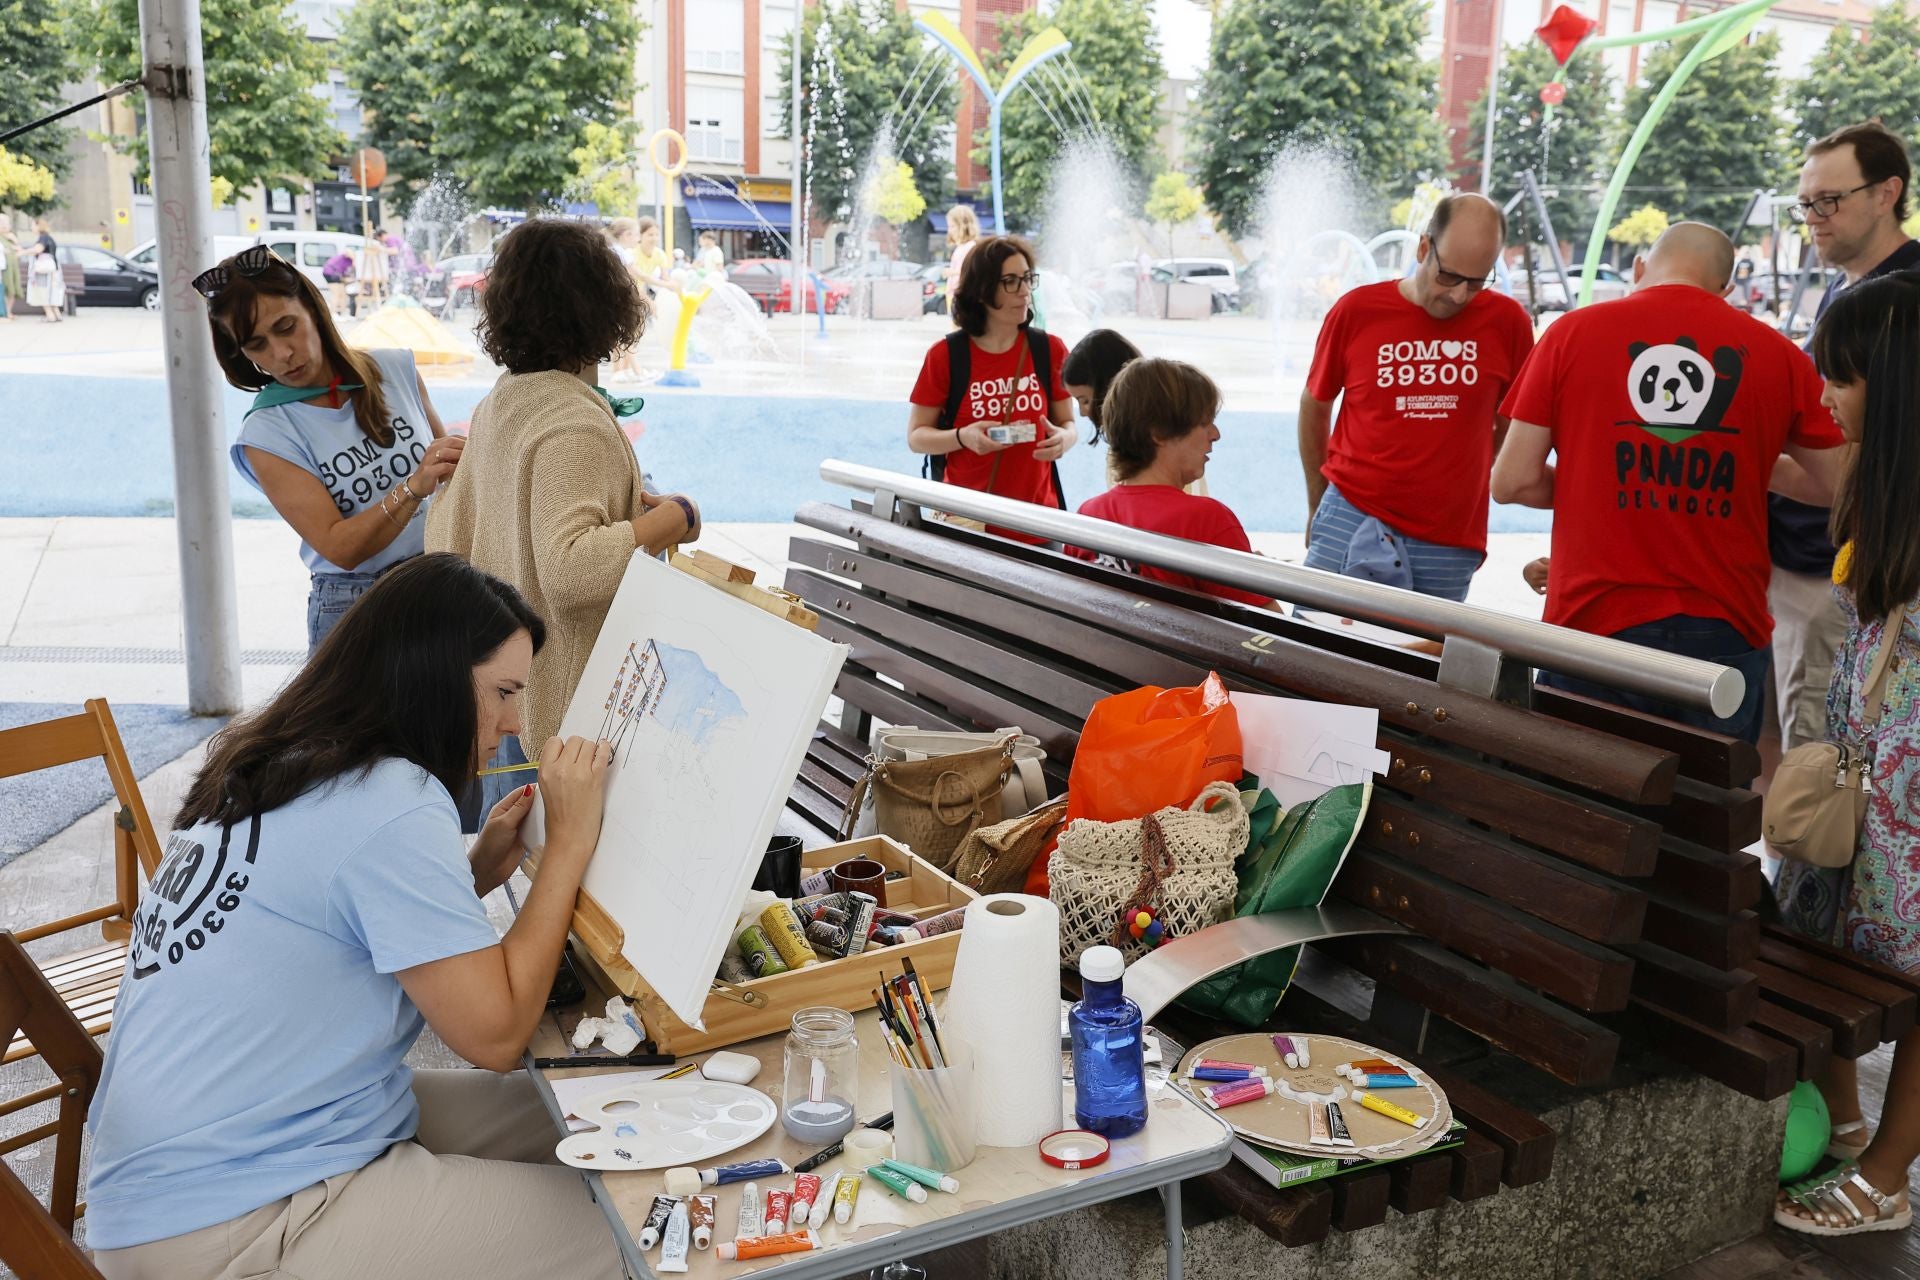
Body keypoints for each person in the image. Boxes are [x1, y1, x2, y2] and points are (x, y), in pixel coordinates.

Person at [83, 553, 624, 1280]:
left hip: (215, 1154)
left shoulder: (281, 758)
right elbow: (494, 1034)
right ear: (431, 675)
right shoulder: (388, 799)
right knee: (639, 1227)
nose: (512, 724)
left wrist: (474, 874)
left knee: (601, 1112)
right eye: (502, 692)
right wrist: (569, 844)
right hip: (230, 1212)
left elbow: (336, 933)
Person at [1491, 223, 1846, 744]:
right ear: (1726, 290)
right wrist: (1742, 458)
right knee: (1704, 812)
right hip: (1726, 624)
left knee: (1586, 813)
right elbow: (1841, 484)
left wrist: (1594, 481)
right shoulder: (1777, 354)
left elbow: (1512, 482)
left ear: (1638, 269)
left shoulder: (1571, 334)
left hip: (1595, 620)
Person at [426, 217, 701, 794]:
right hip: (566, 723)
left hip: (503, 705)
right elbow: (574, 567)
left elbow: (447, 535)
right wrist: (673, 519)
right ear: (607, 308)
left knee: (524, 868)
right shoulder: (572, 421)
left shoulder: (500, 405)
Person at [1774, 272, 1920, 1239]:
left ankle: (1886, 1173)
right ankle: (1848, 1122)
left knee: (1913, 965)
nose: (1825, 392)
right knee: (1815, 917)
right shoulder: (1881, 471)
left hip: (1907, 763)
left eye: (1842, 374)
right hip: (1867, 747)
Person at [203, 245, 461, 654]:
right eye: (256, 345)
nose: (280, 354)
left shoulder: (395, 368)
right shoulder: (266, 432)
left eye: (286, 327)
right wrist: (414, 485)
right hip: (355, 605)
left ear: (312, 306)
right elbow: (341, 548)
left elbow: (450, 480)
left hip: (438, 580)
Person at [1298, 193, 1534, 601]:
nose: (1460, 295)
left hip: (1449, 536)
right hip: (1351, 512)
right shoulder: (1357, 311)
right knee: (1315, 652)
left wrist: (1466, 473)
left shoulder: (1508, 323)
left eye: (1477, 282)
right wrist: (1318, 503)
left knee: (1421, 663)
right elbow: (1315, 406)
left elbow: (1512, 423)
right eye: (1449, 277)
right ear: (1424, 248)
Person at [1770, 122, 1920, 754]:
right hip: (1824, 563)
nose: (1813, 217)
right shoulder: (1846, 286)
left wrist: (1751, 456)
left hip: (1863, 577)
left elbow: (1866, 456)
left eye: (1828, 201)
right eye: (1804, 203)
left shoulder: (1900, 300)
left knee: (1824, 767)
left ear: (1887, 193)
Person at [907, 234, 1076, 544]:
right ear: (981, 290)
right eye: (1010, 281)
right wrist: (963, 437)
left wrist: (1064, 439)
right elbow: (917, 438)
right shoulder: (946, 355)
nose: (1025, 291)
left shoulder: (1048, 349)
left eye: (1027, 279)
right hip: (969, 524)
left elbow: (1068, 424)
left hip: (1038, 524)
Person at [1068, 357, 1269, 607]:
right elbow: (1273, 635)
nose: (1215, 435)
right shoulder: (1207, 521)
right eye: (1204, 423)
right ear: (1160, 433)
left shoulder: (1088, 516)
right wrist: (1263, 578)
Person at [605, 218, 645, 382]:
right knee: (621, 334)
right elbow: (635, 276)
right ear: (627, 234)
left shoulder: (617, 250)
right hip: (617, 299)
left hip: (615, 298)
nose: (638, 238)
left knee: (623, 333)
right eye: (637, 234)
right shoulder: (619, 252)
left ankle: (625, 370)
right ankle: (621, 370)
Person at [21, 216, 64, 322]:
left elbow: (38, 249)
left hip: (44, 270)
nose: (31, 228)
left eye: (32, 225)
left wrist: (22, 252)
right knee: (51, 291)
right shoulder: (48, 237)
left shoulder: (43, 237)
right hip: (53, 269)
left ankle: (50, 315)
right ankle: (57, 314)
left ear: (38, 226)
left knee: (42, 290)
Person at [943, 204, 980, 314]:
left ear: (963, 226)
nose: (950, 231)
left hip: (963, 296)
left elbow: (970, 272)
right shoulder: (960, 248)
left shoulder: (970, 247)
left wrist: (951, 272)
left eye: (952, 227)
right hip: (954, 295)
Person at [322, 249, 356, 316]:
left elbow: (344, 274)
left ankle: (343, 313)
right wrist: (354, 258)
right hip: (331, 273)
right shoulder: (347, 257)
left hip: (334, 274)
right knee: (336, 294)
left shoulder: (348, 262)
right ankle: (333, 314)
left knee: (342, 294)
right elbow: (348, 251)